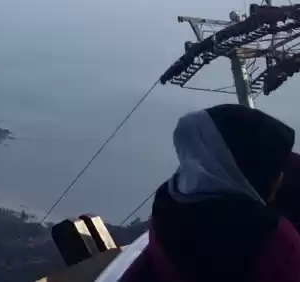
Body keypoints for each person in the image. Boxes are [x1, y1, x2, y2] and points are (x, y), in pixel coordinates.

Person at [121, 104, 300, 282]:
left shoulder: (171, 207)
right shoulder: (272, 242)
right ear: (252, 170)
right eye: (275, 169)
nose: (281, 178)